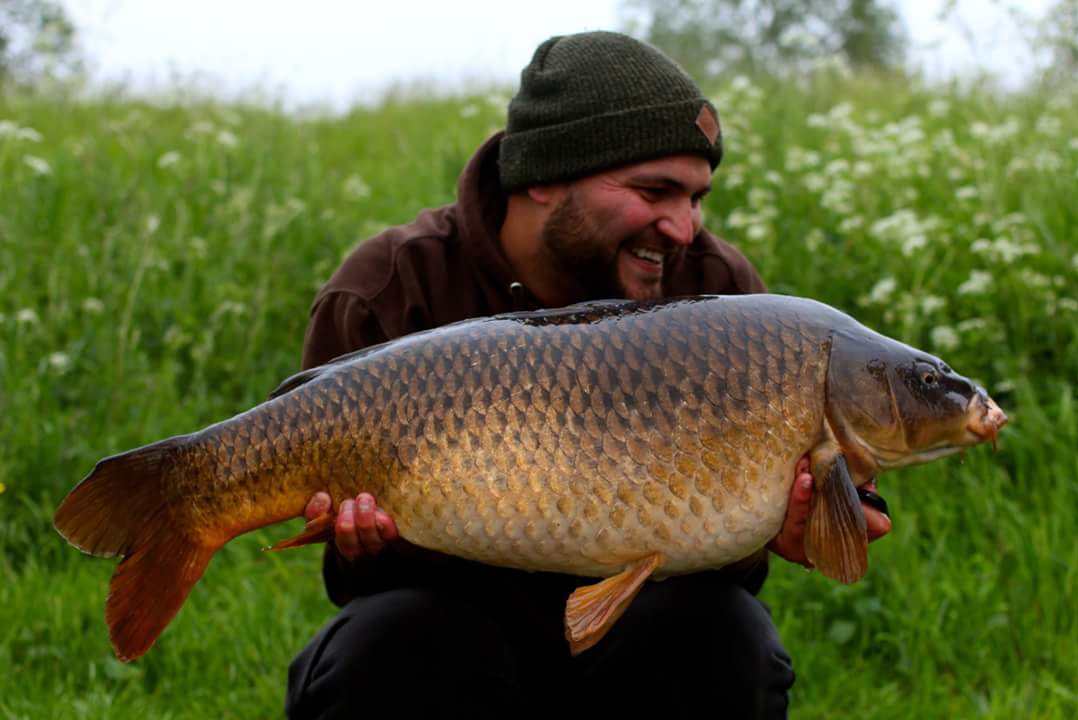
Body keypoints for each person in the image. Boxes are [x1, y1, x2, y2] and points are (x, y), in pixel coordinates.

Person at [285, 30, 890, 720]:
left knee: (730, 639)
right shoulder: (392, 288)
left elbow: (729, 560)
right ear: (543, 175)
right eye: (655, 191)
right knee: (386, 645)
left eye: (696, 197)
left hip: (641, 631)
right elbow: (350, 579)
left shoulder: (721, 294)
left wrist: (783, 530)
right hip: (455, 628)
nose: (683, 228)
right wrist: (363, 543)